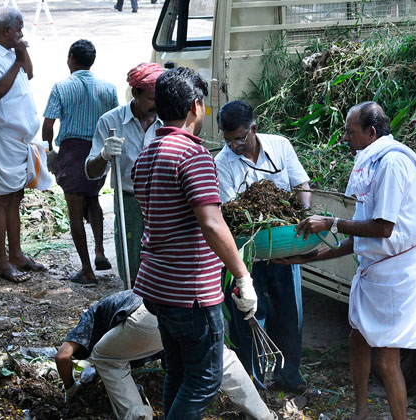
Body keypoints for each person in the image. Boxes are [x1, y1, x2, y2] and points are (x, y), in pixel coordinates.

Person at [278, 101, 416, 420]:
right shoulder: (372, 161)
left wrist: (330, 222)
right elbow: (357, 239)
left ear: (370, 132)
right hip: (378, 272)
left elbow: (383, 228)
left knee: (387, 361)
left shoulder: (391, 164)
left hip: (399, 275)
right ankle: (361, 411)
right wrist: (304, 258)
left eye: (350, 132)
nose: (345, 138)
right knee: (358, 341)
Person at [131, 67, 258, 419]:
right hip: (190, 292)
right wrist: (243, 277)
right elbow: (212, 222)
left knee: (179, 370)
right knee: (204, 378)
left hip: (158, 286)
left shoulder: (147, 154)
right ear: (195, 107)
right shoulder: (192, 154)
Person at [214, 100, 313, 394]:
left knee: (289, 316)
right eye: (228, 140)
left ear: (254, 128)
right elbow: (230, 212)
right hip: (247, 255)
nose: (233, 146)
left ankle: (289, 377)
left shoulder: (280, 146)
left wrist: (304, 213)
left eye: (239, 138)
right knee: (248, 320)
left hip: (284, 249)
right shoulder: (222, 163)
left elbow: (301, 184)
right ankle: (252, 385)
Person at [55, 290, 277, 420]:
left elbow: (63, 356)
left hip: (144, 316)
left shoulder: (92, 317)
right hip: (181, 304)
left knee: (105, 357)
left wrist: (71, 389)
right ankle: (263, 415)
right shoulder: (116, 302)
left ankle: (138, 416)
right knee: (220, 358)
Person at [0, 6, 52, 283]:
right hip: (2, 140)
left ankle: (16, 254)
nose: (22, 34)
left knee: (16, 197)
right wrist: (17, 61)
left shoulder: (9, 53)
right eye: (19, 29)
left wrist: (21, 56)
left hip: (19, 141)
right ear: (6, 30)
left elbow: (28, 73)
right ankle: (0, 261)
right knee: (2, 198)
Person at [42, 39, 117, 285]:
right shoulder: (108, 88)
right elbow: (115, 120)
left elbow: (48, 126)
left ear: (71, 58)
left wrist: (49, 151)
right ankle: (99, 252)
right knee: (93, 199)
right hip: (98, 151)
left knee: (75, 210)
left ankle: (87, 270)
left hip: (72, 151)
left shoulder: (61, 87)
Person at [86, 62, 164, 285]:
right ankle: (134, 301)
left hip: (163, 199)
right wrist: (104, 154)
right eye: (151, 99)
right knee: (131, 261)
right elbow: (91, 171)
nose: (157, 105)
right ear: (135, 93)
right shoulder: (111, 121)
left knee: (163, 261)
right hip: (129, 201)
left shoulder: (169, 119)